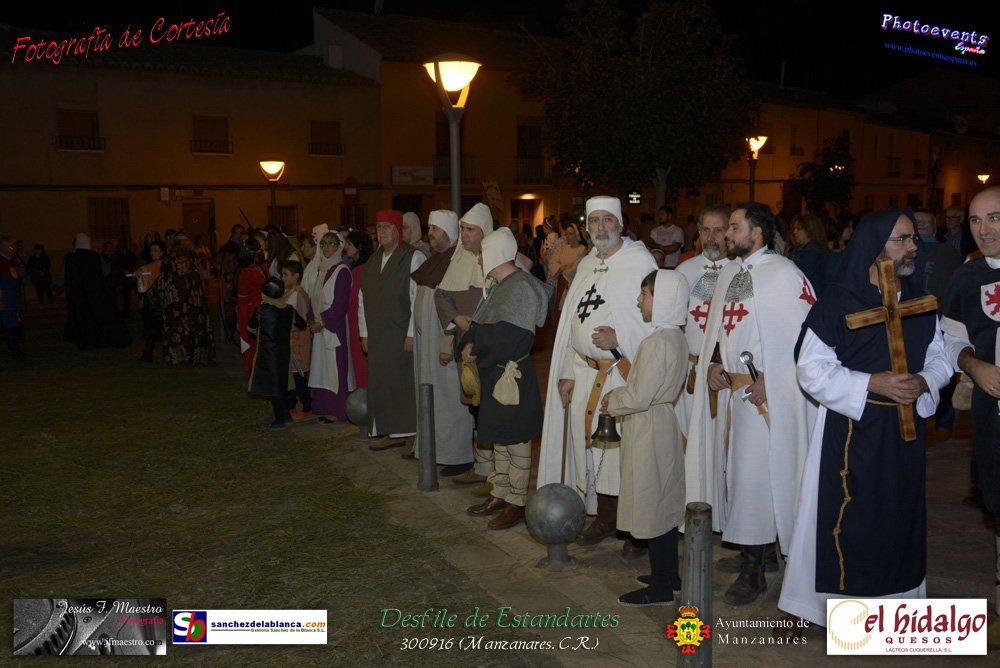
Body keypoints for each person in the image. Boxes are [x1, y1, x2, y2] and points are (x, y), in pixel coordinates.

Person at [778, 209, 952, 632]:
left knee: (898, 515)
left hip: (906, 431)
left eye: (913, 239)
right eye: (902, 239)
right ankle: (838, 609)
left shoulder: (920, 300)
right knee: (849, 517)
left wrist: (923, 381)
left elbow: (940, 355)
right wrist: (872, 382)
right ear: (874, 246)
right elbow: (811, 368)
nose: (913, 247)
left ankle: (897, 608)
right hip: (852, 430)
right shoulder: (839, 302)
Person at [685, 202, 817, 606]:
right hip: (736, 394)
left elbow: (804, 337)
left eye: (734, 227)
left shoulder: (783, 274)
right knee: (741, 476)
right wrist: (713, 363)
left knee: (755, 479)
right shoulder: (731, 273)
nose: (727, 235)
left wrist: (772, 381)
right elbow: (722, 331)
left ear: (757, 233)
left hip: (764, 397)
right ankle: (759, 551)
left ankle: (753, 569)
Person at [536, 196, 657, 554]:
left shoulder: (640, 262)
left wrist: (621, 338)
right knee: (589, 447)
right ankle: (605, 515)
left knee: (625, 452)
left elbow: (657, 321)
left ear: (620, 224)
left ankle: (635, 526)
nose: (601, 227)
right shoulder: (588, 262)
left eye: (608, 220)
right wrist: (567, 370)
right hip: (585, 370)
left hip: (623, 372)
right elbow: (572, 322)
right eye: (594, 220)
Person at [600, 269, 688, 606]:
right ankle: (669, 574)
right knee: (663, 499)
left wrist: (613, 400)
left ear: (662, 298)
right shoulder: (675, 337)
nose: (639, 300)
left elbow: (639, 396)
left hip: (648, 425)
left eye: (645, 294)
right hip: (661, 420)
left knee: (653, 503)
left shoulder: (656, 342)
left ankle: (661, 587)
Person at [940, 186, 1000, 648]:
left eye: (994, 217)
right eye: (976, 220)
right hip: (991, 410)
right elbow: (951, 338)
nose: (984, 229)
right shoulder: (967, 276)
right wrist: (974, 366)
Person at [463, 228, 552, 530]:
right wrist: (468, 344)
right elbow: (479, 327)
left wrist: (477, 350)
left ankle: (517, 500)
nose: (480, 259)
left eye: (483, 253)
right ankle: (500, 493)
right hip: (494, 372)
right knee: (499, 437)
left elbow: (512, 337)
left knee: (516, 440)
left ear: (495, 254)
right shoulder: (499, 285)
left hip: (512, 375)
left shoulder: (521, 286)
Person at [410, 210, 475, 474]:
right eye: (429, 228)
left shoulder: (457, 262)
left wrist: (447, 344)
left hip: (443, 343)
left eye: (434, 229)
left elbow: (457, 306)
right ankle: (433, 449)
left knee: (450, 399)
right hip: (427, 343)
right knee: (432, 398)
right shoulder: (435, 261)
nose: (430, 234)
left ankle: (457, 456)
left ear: (448, 232)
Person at [435, 203, 496, 487]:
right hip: (465, 346)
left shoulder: (498, 261)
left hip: (491, 347)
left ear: (485, 231)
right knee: (474, 406)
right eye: (462, 229)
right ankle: (482, 468)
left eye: (471, 229)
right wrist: (457, 318)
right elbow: (441, 296)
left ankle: (497, 473)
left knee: (492, 409)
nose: (465, 234)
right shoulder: (457, 260)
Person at [360, 210, 425, 449]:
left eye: (388, 227)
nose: (382, 232)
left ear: (398, 230)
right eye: (379, 227)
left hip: (400, 334)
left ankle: (407, 431)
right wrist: (364, 332)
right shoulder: (373, 260)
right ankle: (388, 430)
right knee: (382, 382)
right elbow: (362, 298)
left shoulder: (413, 257)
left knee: (402, 382)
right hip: (378, 335)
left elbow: (417, 298)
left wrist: (411, 334)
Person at [248, 277, 307, 429]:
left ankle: (280, 419)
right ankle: (286, 415)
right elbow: (302, 324)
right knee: (284, 384)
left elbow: (251, 326)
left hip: (267, 354)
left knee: (274, 387)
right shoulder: (288, 310)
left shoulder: (261, 310)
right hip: (284, 353)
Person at [307, 232, 354, 423]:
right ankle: (324, 406)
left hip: (334, 327)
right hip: (320, 327)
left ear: (339, 246)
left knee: (335, 368)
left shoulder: (342, 271)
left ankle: (337, 409)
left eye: (331, 244)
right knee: (321, 369)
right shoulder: (322, 269)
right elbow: (314, 298)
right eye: (323, 244)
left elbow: (340, 303)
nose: (326, 248)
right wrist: (312, 318)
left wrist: (323, 322)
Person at [150, 236, 215, 365]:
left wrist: (156, 297)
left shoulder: (169, 259)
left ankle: (177, 357)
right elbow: (203, 277)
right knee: (192, 327)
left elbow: (163, 281)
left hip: (175, 300)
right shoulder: (194, 259)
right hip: (194, 300)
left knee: (177, 329)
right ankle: (193, 356)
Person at [63, 233, 132, 349]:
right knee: (95, 317)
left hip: (78, 296)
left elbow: (66, 277)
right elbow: (106, 271)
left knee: (81, 318)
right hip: (93, 294)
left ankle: (83, 340)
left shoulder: (70, 258)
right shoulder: (93, 257)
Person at [282, 260, 312, 418]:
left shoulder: (296, 294)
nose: (283, 278)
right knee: (294, 374)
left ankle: (306, 404)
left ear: (296, 276)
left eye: (286, 274)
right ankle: (294, 404)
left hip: (297, 340)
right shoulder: (293, 292)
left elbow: (297, 321)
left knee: (298, 374)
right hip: (295, 340)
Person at [344, 230, 372, 390]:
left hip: (358, 323)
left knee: (360, 364)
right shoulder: (356, 268)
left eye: (349, 244)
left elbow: (355, 300)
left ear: (359, 247)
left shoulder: (361, 270)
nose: (346, 247)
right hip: (356, 321)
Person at [236, 238, 268, 379]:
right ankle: (253, 380)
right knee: (252, 348)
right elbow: (242, 299)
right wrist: (243, 321)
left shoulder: (260, 268)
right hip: (250, 314)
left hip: (259, 311)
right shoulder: (247, 272)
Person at [136, 240, 166, 362]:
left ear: (162, 252)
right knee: (152, 328)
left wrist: (141, 272)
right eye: (151, 250)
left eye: (156, 250)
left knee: (152, 328)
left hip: (156, 303)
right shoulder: (155, 265)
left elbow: (143, 287)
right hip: (155, 302)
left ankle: (148, 354)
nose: (152, 253)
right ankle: (147, 354)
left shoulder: (157, 265)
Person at [789, 213, 828, 297]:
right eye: (794, 228)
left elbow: (801, 275)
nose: (795, 232)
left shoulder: (813, 251)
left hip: (810, 296)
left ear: (809, 230)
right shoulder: (800, 249)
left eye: (798, 229)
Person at [0, 237, 26, 359]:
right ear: (4, 247)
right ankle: (15, 351)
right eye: (12, 247)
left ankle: (17, 350)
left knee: (15, 323)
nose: (14, 250)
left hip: (12, 296)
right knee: (9, 324)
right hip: (5, 297)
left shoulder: (10, 261)